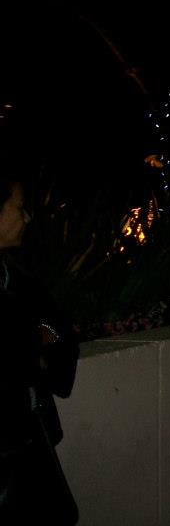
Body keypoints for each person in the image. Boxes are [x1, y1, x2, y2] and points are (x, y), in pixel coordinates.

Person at [0, 164, 80, 525]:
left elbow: (52, 329)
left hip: (27, 442)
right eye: (18, 207)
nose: (28, 217)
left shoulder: (18, 279)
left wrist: (40, 347)